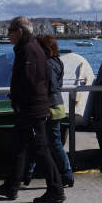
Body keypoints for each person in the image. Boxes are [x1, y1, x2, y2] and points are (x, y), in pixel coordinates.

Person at [0, 17, 64, 203]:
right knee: (20, 147)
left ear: (20, 31)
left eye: (10, 30)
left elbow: (29, 81)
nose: (7, 34)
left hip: (31, 109)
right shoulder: (32, 48)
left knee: (40, 149)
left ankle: (56, 190)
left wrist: (20, 101)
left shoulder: (28, 50)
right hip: (33, 107)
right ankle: (11, 186)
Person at [30, 34, 76, 189]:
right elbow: (57, 85)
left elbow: (48, 86)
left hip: (48, 107)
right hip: (58, 105)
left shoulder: (47, 64)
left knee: (48, 142)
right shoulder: (58, 62)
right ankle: (65, 173)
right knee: (54, 142)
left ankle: (65, 173)